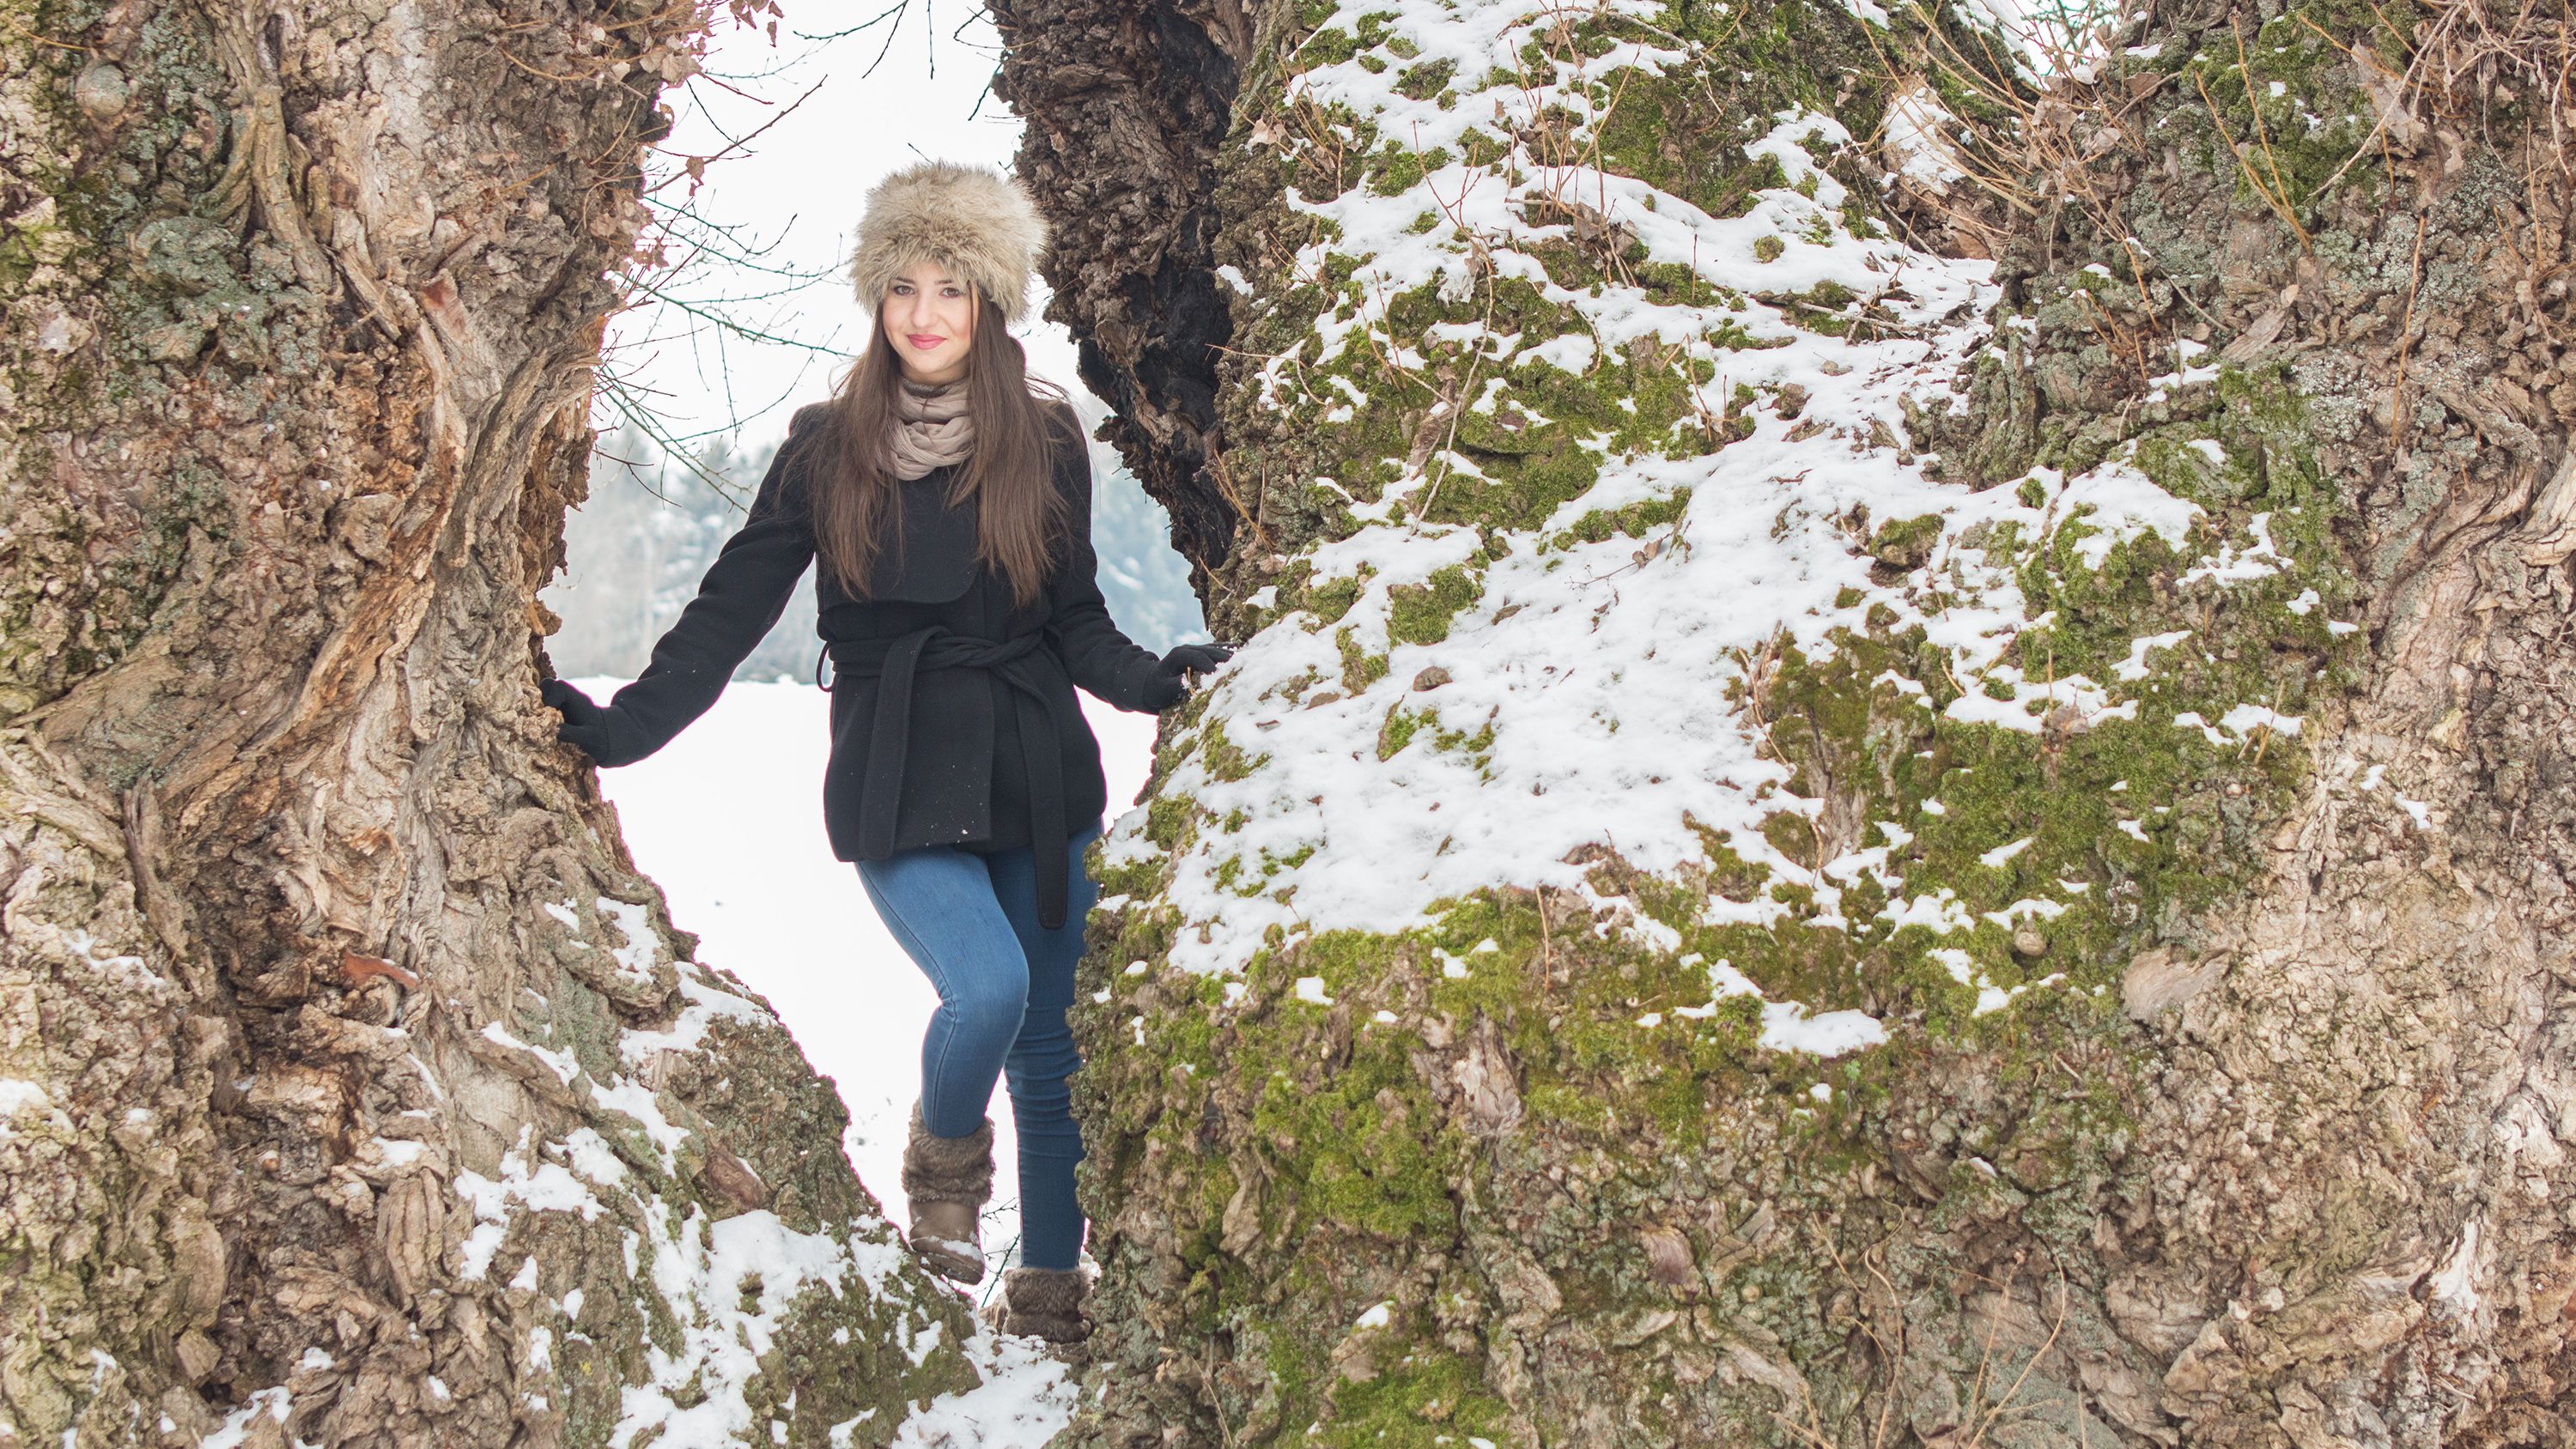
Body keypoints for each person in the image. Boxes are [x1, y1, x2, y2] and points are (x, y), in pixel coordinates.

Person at [539, 158, 1230, 1344]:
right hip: (898, 774)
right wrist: (619, 730)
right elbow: (729, 612)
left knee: (1053, 1056)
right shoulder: (824, 447)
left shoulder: (1046, 442)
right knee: (990, 988)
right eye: (903, 286)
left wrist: (1154, 681)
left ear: (989, 302)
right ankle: (946, 1167)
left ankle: (1053, 1294)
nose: (924, 313)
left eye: (951, 289)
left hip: (1036, 769)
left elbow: (1075, 618)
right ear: (876, 299)